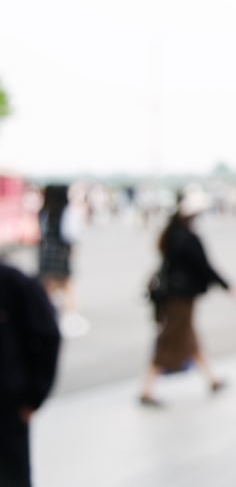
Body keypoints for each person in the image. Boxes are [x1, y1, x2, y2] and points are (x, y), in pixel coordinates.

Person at [139, 190, 236, 407]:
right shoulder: (187, 237)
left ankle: (211, 378)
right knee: (170, 339)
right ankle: (146, 390)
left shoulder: (171, 233)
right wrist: (227, 286)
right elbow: (205, 266)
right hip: (180, 297)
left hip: (174, 295)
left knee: (189, 339)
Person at [0, 259, 61, 487]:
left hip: (8, 407)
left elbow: (48, 336)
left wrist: (34, 396)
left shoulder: (12, 282)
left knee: (12, 476)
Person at [36, 184, 88, 337]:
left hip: (46, 252)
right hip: (61, 251)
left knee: (47, 285)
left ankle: (44, 313)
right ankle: (70, 316)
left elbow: (42, 232)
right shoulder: (66, 212)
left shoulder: (44, 212)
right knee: (67, 285)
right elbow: (70, 234)